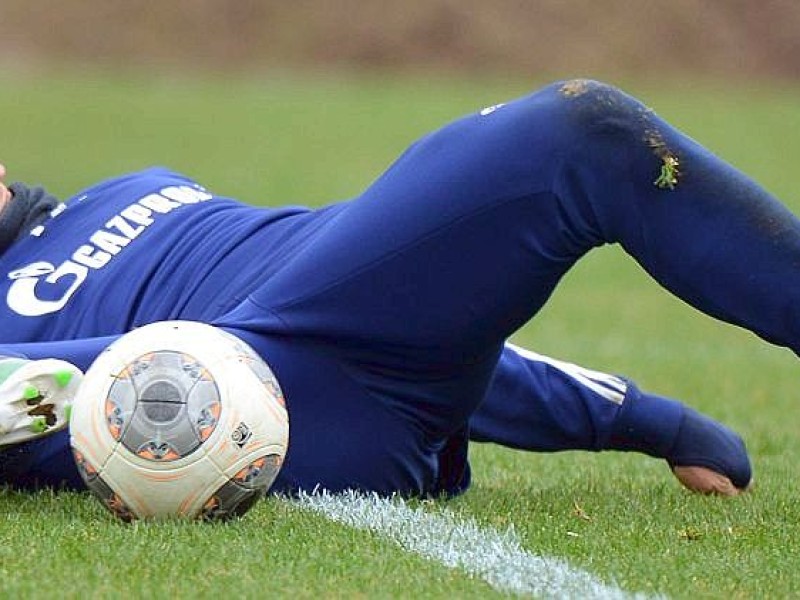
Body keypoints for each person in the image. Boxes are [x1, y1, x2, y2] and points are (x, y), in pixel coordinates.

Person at [4, 78, 785, 502]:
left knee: (586, 136)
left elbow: (378, 288)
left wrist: (641, 419)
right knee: (572, 136)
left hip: (376, 337)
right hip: (267, 401)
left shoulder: (128, 187)